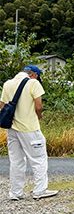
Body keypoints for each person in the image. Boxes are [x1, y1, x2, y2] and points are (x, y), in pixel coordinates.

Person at [1, 65, 57, 200]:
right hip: (30, 128)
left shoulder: (7, 84)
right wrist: (39, 116)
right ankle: (40, 190)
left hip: (12, 129)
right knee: (38, 159)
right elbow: (39, 105)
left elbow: (2, 105)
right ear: (34, 75)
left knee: (16, 161)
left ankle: (15, 192)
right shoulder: (33, 83)